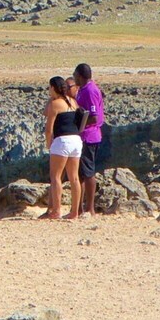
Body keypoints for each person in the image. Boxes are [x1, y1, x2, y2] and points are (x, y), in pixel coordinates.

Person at [41, 76, 86, 219]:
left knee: (56, 177)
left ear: (53, 88)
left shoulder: (55, 104)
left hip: (62, 140)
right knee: (74, 178)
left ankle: (56, 210)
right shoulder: (73, 102)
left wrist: (49, 143)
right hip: (76, 140)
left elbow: (49, 128)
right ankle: (74, 212)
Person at [73, 63, 105, 217]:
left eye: (74, 75)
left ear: (80, 76)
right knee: (79, 173)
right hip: (82, 135)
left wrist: (78, 123)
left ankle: (90, 208)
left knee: (88, 172)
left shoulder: (90, 90)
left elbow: (94, 116)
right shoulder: (83, 90)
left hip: (89, 136)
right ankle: (78, 208)